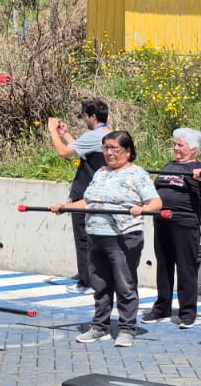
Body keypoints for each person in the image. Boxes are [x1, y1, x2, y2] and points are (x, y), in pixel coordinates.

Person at [50, 131, 160, 346]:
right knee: (100, 285)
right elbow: (89, 202)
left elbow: (155, 202)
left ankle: (127, 329)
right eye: (105, 148)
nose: (109, 153)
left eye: (114, 148)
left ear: (128, 152)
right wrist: (65, 207)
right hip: (96, 235)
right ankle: (100, 326)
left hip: (124, 237)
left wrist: (142, 208)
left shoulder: (137, 174)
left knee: (125, 285)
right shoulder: (100, 172)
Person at [148, 128, 201, 327]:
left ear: (193, 148)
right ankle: (161, 307)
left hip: (185, 224)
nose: (176, 148)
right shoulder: (167, 166)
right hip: (161, 221)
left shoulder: (199, 168)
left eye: (180, 145)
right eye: (175, 144)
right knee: (163, 267)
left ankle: (187, 311)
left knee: (186, 269)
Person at [45, 100, 110, 293]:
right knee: (95, 239)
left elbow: (64, 152)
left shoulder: (94, 135)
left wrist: (53, 132)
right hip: (98, 194)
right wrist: (65, 134)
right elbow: (81, 151)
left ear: (92, 117)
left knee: (83, 239)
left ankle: (86, 282)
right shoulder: (108, 135)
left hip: (84, 195)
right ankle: (94, 278)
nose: (83, 119)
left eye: (84, 115)